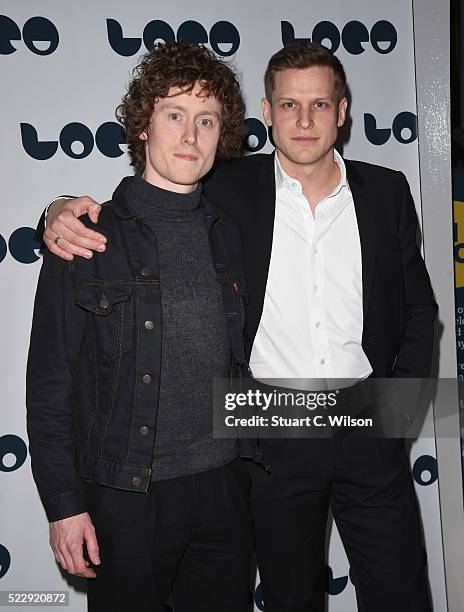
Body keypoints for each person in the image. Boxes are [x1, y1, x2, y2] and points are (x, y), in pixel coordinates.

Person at [38, 42, 436, 612]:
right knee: (291, 597)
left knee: (402, 595)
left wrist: (402, 411)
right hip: (269, 431)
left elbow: (421, 311)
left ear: (342, 111)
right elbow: (140, 200)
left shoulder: (388, 191)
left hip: (367, 423)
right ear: (267, 114)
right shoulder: (226, 189)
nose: (304, 121)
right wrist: (52, 212)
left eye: (320, 104)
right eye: (288, 105)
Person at [27, 41, 253, 612]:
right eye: (174, 115)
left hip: (225, 488)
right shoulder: (85, 237)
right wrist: (63, 505)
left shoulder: (231, 231)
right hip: (125, 497)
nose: (190, 135)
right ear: (143, 129)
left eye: (207, 121)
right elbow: (50, 384)